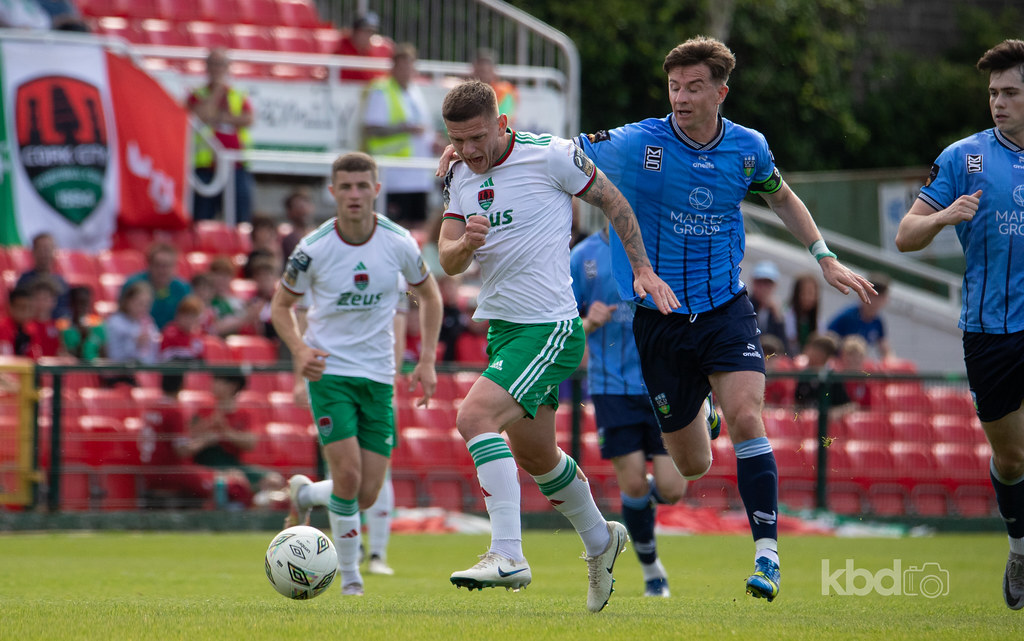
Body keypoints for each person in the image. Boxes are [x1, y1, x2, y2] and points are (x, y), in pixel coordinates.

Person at [575, 36, 875, 602]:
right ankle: (702, 415)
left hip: (725, 309)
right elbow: (560, 151)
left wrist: (823, 256)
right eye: (673, 87)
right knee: (689, 466)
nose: (681, 97)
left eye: (693, 87)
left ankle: (767, 554)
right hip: (659, 319)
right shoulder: (639, 141)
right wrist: (488, 148)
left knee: (748, 415)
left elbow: (782, 197)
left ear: (721, 91)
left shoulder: (748, 147)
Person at [436, 80, 677, 613]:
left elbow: (615, 202)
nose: (470, 150)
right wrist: (464, 244)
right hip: (504, 329)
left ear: (502, 124)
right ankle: (599, 538)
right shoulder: (457, 172)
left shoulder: (551, 157)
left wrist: (640, 266)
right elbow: (447, 260)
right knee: (537, 454)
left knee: (474, 417)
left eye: (478, 137)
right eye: (458, 139)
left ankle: (507, 553)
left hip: (550, 328)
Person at [272, 151, 442, 597]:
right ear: (332, 192)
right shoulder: (313, 248)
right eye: (345, 186)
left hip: (379, 376)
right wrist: (299, 349)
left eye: (362, 185)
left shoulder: (400, 242)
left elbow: (431, 295)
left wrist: (425, 360)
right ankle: (350, 581)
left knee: (365, 493)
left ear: (376, 190)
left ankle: (306, 496)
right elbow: (280, 306)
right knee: (347, 477)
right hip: (330, 372)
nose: (353, 194)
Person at [893, 38, 1024, 611]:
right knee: (1014, 458)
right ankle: (1019, 547)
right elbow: (905, 236)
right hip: (990, 332)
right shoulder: (963, 158)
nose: (999, 102)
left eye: (1012, 93)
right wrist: (944, 215)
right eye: (994, 93)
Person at [570, 226, 719, 598]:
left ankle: (703, 404)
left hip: (660, 385)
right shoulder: (583, 256)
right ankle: (653, 572)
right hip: (610, 389)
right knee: (633, 483)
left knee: (671, 489)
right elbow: (562, 324)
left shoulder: (660, 245)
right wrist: (589, 322)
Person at [361, 44, 441, 229]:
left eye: (409, 66)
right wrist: (403, 128)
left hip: (418, 175)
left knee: (418, 228)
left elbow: (421, 127)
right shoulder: (381, 90)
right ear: (393, 68)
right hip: (395, 175)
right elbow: (371, 129)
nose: (406, 71)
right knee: (395, 227)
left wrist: (433, 141)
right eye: (402, 66)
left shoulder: (414, 91)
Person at [187, 47, 254, 224]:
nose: (217, 69)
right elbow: (201, 115)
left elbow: (248, 119)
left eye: (221, 65)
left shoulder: (237, 94)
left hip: (236, 166)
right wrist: (217, 91)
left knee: (240, 219)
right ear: (207, 67)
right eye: (214, 64)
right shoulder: (197, 94)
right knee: (202, 219)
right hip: (205, 167)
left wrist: (219, 117)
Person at [138, 373, 216, 507]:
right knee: (218, 484)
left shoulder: (152, 407)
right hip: (169, 472)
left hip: (149, 471)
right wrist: (206, 441)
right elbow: (181, 451)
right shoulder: (173, 410)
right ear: (182, 385)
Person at [122, 243, 191, 330]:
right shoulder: (133, 285)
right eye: (158, 265)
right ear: (149, 265)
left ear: (175, 267)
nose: (162, 270)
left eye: (167, 266)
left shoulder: (182, 288)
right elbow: (122, 316)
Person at [827, 271, 892, 361]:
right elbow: (828, 338)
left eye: (880, 296)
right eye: (872, 294)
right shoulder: (848, 316)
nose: (875, 300)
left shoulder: (877, 322)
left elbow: (885, 351)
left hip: (856, 366)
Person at [16, 232, 69, 320]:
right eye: (41, 249)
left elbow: (65, 311)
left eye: (48, 249)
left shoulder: (61, 282)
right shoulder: (24, 280)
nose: (45, 253)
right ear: (33, 252)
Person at [105, 280, 160, 366]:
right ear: (127, 301)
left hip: (145, 374)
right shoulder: (115, 323)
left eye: (147, 304)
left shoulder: (149, 323)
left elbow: (153, 356)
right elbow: (113, 356)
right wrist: (135, 344)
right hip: (120, 374)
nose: (143, 308)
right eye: (139, 303)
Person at [336, 12, 394, 82]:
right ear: (355, 32)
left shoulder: (374, 51)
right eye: (365, 31)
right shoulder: (342, 49)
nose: (369, 35)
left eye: (371, 32)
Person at [471, 48, 519, 126]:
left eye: (486, 70)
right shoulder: (464, 92)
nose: (484, 68)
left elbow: (501, 124)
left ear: (493, 71)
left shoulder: (505, 92)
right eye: (481, 68)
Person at [60, 285, 106, 361]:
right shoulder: (63, 327)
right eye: (79, 303)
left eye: (86, 303)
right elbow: (70, 357)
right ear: (71, 304)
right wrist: (83, 339)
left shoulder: (98, 325)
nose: (83, 307)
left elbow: (104, 355)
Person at [748, 260, 787, 347]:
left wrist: (778, 318)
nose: (763, 288)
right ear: (753, 282)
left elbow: (783, 346)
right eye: (759, 282)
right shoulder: (745, 305)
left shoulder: (775, 310)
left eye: (767, 283)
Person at [158, 296, 206, 362]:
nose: (189, 320)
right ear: (178, 316)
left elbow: (200, 361)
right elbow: (165, 360)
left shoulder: (198, 335)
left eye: (193, 316)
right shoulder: (169, 333)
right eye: (186, 316)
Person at [783, 273, 820, 357]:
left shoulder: (818, 322)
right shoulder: (785, 315)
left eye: (811, 293)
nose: (807, 297)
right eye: (804, 293)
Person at [280, 187, 317, 259]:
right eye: (298, 206)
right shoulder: (289, 240)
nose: (303, 210)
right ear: (289, 212)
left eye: (306, 203)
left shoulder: (323, 234)